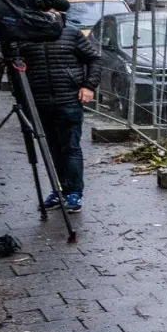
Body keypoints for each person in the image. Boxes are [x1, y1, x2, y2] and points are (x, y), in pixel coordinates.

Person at [16, 11, 101, 213]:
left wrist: (89, 86)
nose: (46, 15)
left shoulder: (71, 34)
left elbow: (94, 59)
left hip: (68, 100)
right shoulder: (27, 37)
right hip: (40, 102)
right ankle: (60, 189)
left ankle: (74, 193)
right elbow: (17, 68)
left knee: (70, 147)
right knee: (52, 148)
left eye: (50, 11)